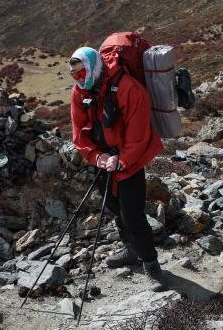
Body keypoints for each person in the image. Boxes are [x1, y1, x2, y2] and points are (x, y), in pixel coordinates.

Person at [68, 46, 166, 291]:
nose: (79, 79)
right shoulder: (79, 93)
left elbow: (139, 135)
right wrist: (97, 157)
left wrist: (122, 160)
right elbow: (79, 134)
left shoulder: (129, 88)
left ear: (94, 67)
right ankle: (130, 250)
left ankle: (151, 264)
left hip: (129, 162)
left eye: (82, 74)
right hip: (102, 159)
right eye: (75, 75)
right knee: (114, 208)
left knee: (132, 214)